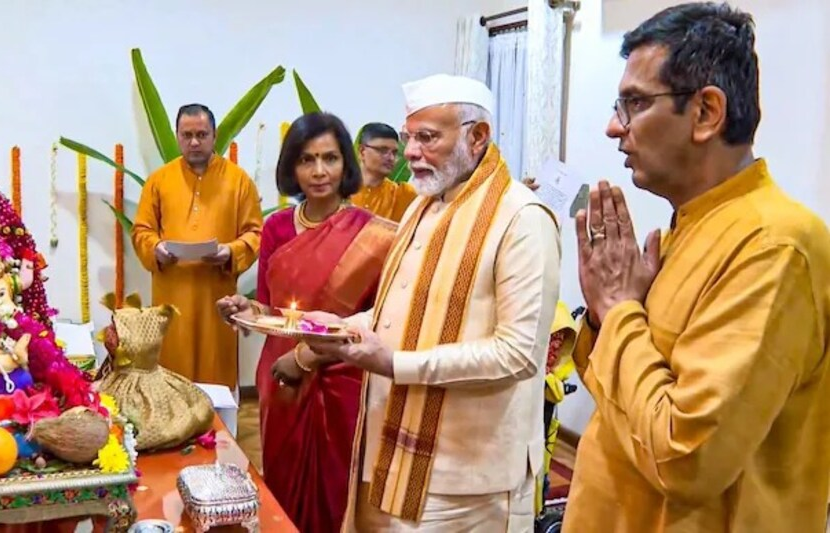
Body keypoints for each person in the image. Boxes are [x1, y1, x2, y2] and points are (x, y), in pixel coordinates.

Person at [563, 4, 830, 532]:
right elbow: (622, 399)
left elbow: (685, 460)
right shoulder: (684, 228)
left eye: (634, 103)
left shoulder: (773, 248)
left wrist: (618, 312)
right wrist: (607, 314)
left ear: (706, 112)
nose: (614, 126)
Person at [306, 74, 561, 531]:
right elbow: (397, 311)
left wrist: (396, 364)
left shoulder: (521, 219)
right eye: (409, 138)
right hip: (391, 446)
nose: (409, 153)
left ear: (477, 137)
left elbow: (519, 354)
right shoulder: (422, 207)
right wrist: (341, 328)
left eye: (427, 138)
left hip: (466, 477)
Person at [216, 112, 396, 532]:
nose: (319, 172)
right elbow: (271, 308)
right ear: (291, 168)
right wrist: (243, 310)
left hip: (343, 378)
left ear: (346, 164)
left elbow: (376, 320)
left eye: (330, 159)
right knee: (282, 479)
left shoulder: (370, 235)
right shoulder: (278, 226)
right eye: (306, 159)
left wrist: (308, 357)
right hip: (281, 379)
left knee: (336, 490)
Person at [132, 104, 263, 388]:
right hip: (171, 294)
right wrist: (155, 248)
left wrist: (230, 251)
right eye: (187, 134)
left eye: (201, 134)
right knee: (171, 374)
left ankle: (218, 431)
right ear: (177, 136)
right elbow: (141, 230)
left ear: (214, 136)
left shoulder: (239, 181)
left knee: (215, 371)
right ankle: (174, 431)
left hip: (216, 296)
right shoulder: (159, 180)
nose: (194, 142)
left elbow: (255, 233)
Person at [349, 122, 416, 222]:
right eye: (382, 150)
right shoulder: (336, 190)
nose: (390, 158)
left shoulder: (403, 195)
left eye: (394, 152)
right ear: (362, 151)